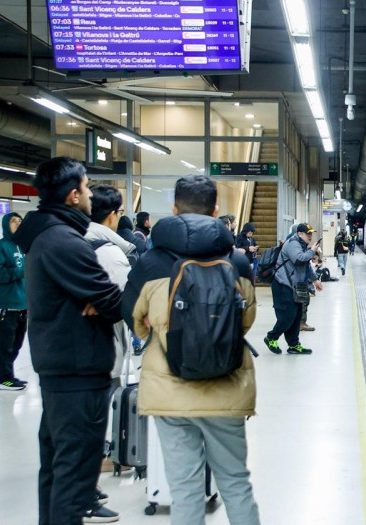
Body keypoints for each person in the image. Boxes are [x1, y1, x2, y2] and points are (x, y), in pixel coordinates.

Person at [121, 175, 261, 525]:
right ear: (216, 211)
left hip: (170, 391)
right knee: (235, 482)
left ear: (173, 209)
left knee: (184, 489)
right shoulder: (238, 262)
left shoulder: (150, 263)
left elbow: (134, 322)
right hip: (226, 388)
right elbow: (245, 321)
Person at [13, 157, 123, 523]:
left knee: (59, 471)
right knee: (75, 477)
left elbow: (102, 299)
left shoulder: (48, 235)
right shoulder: (63, 241)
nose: (92, 195)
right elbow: (113, 300)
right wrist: (108, 299)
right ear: (74, 195)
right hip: (78, 371)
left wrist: (100, 299)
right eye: (88, 187)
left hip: (61, 367)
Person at [85, 185, 136, 387]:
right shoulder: (109, 253)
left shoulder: (69, 242)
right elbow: (126, 305)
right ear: (113, 215)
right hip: (102, 353)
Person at [0, 212, 29, 391]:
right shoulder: (0, 247)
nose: (18, 224)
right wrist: (18, 273)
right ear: (5, 225)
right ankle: (4, 378)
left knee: (17, 344)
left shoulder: (24, 246)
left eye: (20, 221)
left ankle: (9, 375)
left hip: (22, 305)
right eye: (13, 221)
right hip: (7, 305)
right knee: (6, 345)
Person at [263, 224, 322, 355]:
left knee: (296, 316)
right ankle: (271, 337)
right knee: (288, 316)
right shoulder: (293, 243)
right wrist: (312, 251)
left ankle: (293, 345)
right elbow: (299, 259)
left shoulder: (302, 245)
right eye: (308, 233)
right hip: (283, 285)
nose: (310, 236)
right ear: (299, 233)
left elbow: (306, 266)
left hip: (296, 286)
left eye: (311, 233)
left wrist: (315, 279)